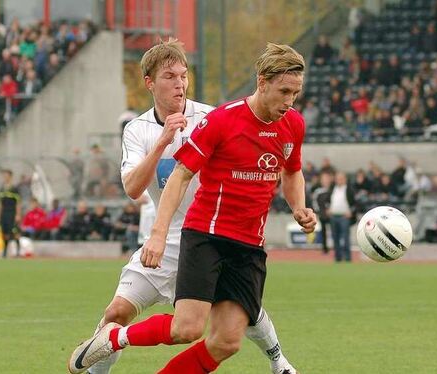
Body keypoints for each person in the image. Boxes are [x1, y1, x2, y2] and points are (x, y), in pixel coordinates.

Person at [68, 40, 303, 374]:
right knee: (115, 314)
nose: (179, 83)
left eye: (183, 75)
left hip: (212, 232)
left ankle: (278, 360)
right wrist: (163, 141)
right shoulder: (137, 130)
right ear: (149, 83)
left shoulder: (210, 116)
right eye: (169, 76)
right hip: (164, 238)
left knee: (237, 320)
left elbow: (269, 155)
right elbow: (134, 188)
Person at [329, 171, 356, 262]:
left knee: (345, 238)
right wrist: (328, 209)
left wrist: (351, 211)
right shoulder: (333, 188)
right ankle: (338, 257)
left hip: (344, 217)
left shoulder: (349, 189)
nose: (339, 180)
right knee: (335, 238)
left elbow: (354, 204)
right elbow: (327, 200)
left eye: (341, 179)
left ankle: (347, 257)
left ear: (345, 179)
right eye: (338, 179)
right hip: (334, 216)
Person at [0, 169, 21, 257]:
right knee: (5, 233)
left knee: (15, 232)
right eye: (4, 176)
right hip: (4, 214)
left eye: (6, 176)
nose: (5, 177)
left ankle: (18, 252)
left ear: (10, 177)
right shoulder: (2, 189)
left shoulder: (14, 189)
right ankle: (5, 252)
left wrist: (18, 214)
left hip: (12, 213)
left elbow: (18, 203)